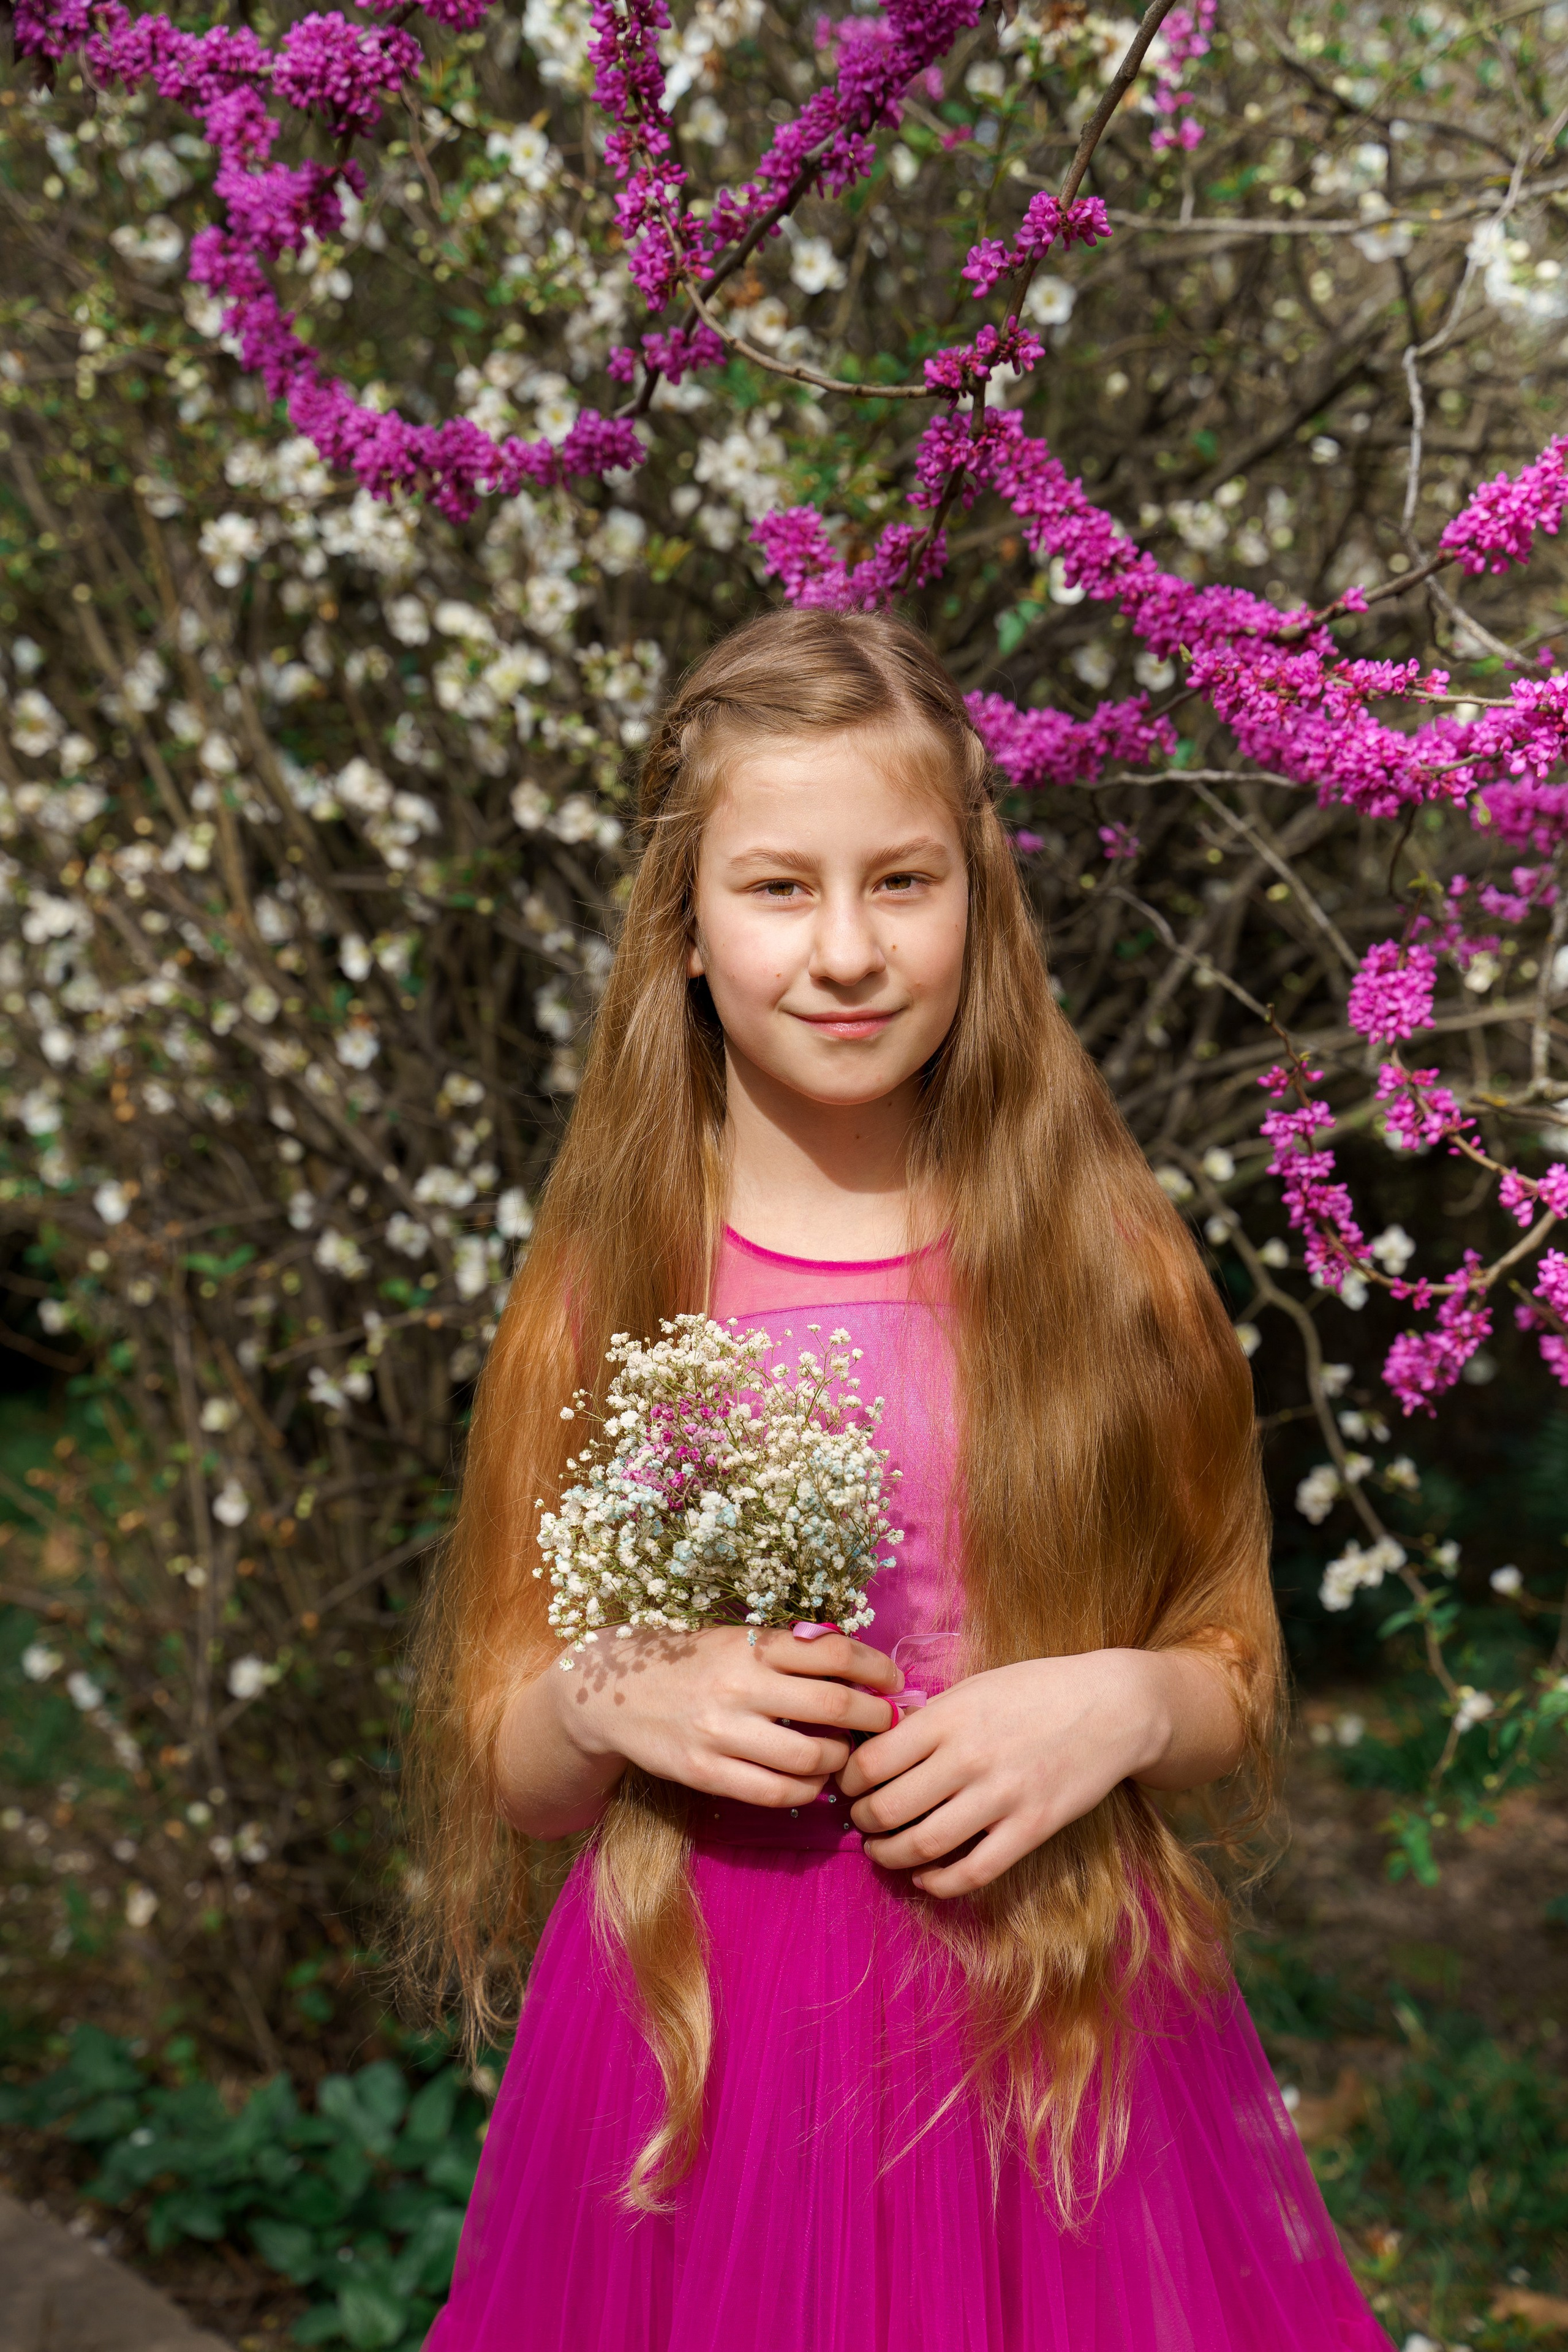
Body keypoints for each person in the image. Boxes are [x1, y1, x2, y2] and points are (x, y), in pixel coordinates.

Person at [412, 608, 1392, 2352]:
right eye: (780, 887)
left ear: (979, 904)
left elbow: (1231, 1669)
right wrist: (620, 1691)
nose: (848, 950)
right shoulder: (614, 1289)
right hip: (697, 2047)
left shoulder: (1100, 1260)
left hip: (1058, 2036)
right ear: (688, 931)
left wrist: (1122, 1705)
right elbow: (512, 1756)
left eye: (904, 883)